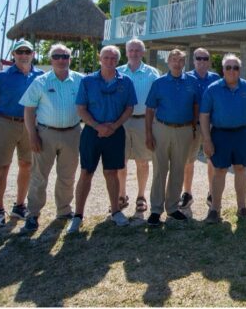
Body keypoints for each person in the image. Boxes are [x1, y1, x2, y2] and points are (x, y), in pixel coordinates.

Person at [70, 45, 137, 233]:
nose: (109, 61)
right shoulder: (88, 81)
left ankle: (115, 211)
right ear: (100, 58)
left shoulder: (126, 82)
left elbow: (129, 108)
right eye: (106, 57)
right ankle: (78, 215)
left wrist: (113, 127)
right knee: (86, 172)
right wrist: (98, 126)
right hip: (92, 132)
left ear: (118, 60)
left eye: (113, 58)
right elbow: (81, 108)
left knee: (112, 172)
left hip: (115, 132)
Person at [19, 44, 84, 233]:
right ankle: (33, 214)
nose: (61, 59)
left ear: (70, 59)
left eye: (65, 56)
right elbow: (29, 110)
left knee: (67, 175)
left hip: (72, 132)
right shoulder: (40, 82)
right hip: (46, 133)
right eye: (57, 56)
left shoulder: (80, 81)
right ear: (51, 59)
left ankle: (64, 210)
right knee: (39, 176)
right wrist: (32, 135)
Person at [0, 39, 44, 228]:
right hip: (6, 123)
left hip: (30, 126)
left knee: (26, 165)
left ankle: (19, 205)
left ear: (33, 54)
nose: (24, 55)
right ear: (14, 55)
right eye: (20, 52)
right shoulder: (1, 77)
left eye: (27, 52)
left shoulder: (40, 76)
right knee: (2, 167)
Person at [199, 53, 246, 224]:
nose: (232, 71)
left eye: (236, 68)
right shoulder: (213, 89)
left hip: (242, 134)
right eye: (228, 67)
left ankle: (242, 208)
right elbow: (204, 115)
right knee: (219, 170)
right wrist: (207, 140)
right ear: (223, 69)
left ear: (239, 70)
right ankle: (214, 210)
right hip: (220, 134)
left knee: (241, 168)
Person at [144, 49, 200, 226]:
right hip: (161, 129)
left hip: (184, 130)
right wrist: (148, 134)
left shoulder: (192, 82)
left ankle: (173, 208)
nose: (177, 63)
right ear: (168, 62)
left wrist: (193, 126)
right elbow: (150, 109)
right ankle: (155, 210)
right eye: (173, 60)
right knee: (160, 170)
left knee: (178, 170)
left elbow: (196, 105)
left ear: (184, 63)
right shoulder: (159, 83)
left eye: (180, 60)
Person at [117, 38, 160, 216]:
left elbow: (158, 98)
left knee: (143, 161)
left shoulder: (152, 73)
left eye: (137, 50)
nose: (134, 53)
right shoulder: (117, 72)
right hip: (121, 122)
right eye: (131, 50)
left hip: (144, 121)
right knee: (121, 161)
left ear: (143, 53)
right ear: (126, 52)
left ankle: (141, 197)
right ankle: (121, 195)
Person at [180, 47, 220, 212]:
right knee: (189, 161)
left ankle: (212, 193)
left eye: (205, 58)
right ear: (194, 60)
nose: (202, 61)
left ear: (209, 61)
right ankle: (187, 193)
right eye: (199, 58)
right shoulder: (186, 78)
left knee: (212, 160)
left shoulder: (216, 78)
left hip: (212, 126)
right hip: (192, 126)